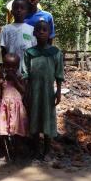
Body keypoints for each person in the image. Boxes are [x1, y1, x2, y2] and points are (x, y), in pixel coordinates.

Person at [22, 21, 64, 160]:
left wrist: (58, 92)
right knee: (34, 118)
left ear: (49, 33)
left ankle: (47, 150)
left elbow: (59, 74)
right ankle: (35, 150)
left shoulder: (55, 52)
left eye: (44, 30)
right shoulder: (30, 52)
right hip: (33, 91)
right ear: (34, 33)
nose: (41, 32)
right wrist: (26, 92)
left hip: (48, 92)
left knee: (48, 119)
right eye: (38, 30)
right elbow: (25, 74)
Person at [0, 53, 28, 161]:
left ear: (18, 66)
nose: (10, 69)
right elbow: (0, 95)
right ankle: (7, 152)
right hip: (5, 109)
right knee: (5, 131)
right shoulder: (3, 80)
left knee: (17, 131)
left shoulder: (19, 78)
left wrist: (14, 80)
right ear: (4, 66)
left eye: (13, 67)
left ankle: (17, 151)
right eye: (7, 66)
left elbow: (23, 91)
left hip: (17, 109)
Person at [0, 0, 36, 72]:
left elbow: (34, 51)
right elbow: (3, 52)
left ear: (27, 12)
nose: (19, 10)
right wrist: (2, 74)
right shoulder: (5, 29)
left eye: (22, 8)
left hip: (27, 71)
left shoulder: (32, 30)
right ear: (12, 11)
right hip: (10, 71)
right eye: (16, 8)